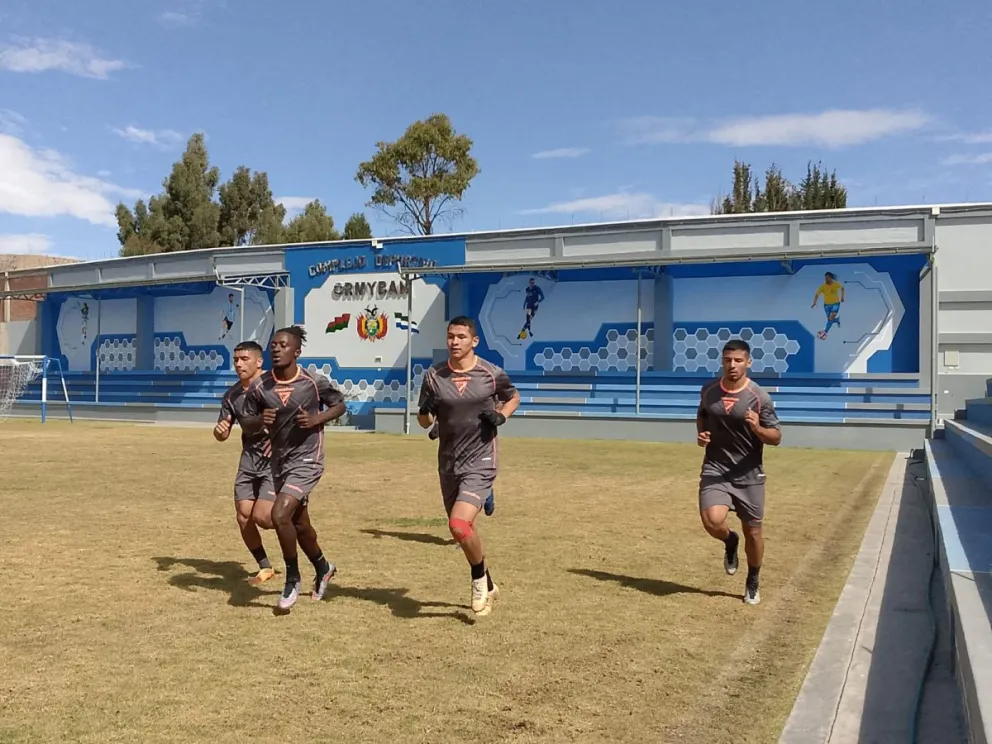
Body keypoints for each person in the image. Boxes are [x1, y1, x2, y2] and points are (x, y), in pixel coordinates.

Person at [417, 316, 520, 616]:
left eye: (461, 337)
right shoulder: (434, 376)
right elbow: (425, 422)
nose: (455, 342)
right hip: (449, 461)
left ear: (474, 341)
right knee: (463, 530)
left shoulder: (490, 373)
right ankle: (489, 581)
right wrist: (425, 411)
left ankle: (477, 581)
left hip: (482, 459)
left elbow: (513, 397)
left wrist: (502, 416)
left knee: (458, 525)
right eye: (451, 336)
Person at [241, 325, 347, 613]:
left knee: (279, 514)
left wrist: (317, 419)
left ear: (297, 351)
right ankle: (323, 567)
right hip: (279, 462)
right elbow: (246, 422)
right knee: (299, 524)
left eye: (283, 345)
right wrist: (261, 420)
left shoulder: (312, 381)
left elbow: (339, 405)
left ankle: (292, 578)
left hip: (308, 459)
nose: (276, 348)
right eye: (273, 344)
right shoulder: (261, 386)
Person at [696, 339, 781, 605]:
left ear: (748, 362)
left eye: (738, 360)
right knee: (712, 521)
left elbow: (776, 436)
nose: (732, 365)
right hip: (716, 468)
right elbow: (702, 413)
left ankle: (753, 579)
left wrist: (757, 429)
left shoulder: (759, 397)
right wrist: (701, 434)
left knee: (753, 532)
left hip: (749, 474)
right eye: (727, 360)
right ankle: (730, 542)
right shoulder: (709, 390)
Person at [214, 340, 277, 586]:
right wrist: (220, 431)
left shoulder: (274, 387)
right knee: (243, 516)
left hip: (274, 462)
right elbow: (222, 432)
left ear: (259, 362)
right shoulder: (232, 396)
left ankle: (291, 513)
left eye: (244, 359)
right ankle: (265, 566)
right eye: (236, 360)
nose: (238, 364)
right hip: (249, 462)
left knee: (264, 518)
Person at [811, 271, 845, 339]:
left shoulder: (836, 284)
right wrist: (814, 303)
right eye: (825, 278)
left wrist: (842, 297)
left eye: (828, 278)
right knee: (830, 319)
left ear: (831, 278)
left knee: (830, 319)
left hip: (835, 304)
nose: (826, 279)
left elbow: (842, 288)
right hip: (826, 305)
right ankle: (837, 320)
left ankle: (825, 332)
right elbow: (817, 295)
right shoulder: (823, 286)